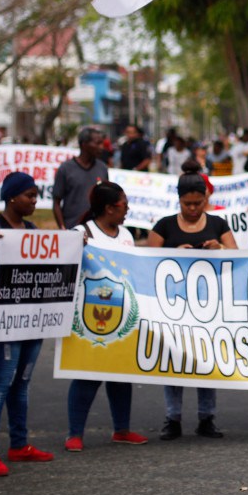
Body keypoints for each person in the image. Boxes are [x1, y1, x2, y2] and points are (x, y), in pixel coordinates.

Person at [0, 173, 55, 477]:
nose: (33, 201)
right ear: (11, 197)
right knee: (1, 380)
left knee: (22, 383)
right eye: (28, 196)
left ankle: (19, 444)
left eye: (35, 196)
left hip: (30, 315)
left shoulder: (31, 229)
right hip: (0, 315)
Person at [147, 174, 236, 440]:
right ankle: (172, 418)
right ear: (179, 200)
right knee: (173, 359)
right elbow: (146, 260)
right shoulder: (164, 226)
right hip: (173, 305)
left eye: (199, 203)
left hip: (208, 304)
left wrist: (218, 247)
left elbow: (239, 254)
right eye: (188, 204)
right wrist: (174, 252)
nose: (194, 209)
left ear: (206, 199)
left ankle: (206, 417)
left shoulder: (218, 223)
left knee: (205, 359)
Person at [65, 183, 149, 452]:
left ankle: (121, 429)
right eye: (124, 205)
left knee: (120, 373)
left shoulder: (125, 234)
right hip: (88, 315)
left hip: (122, 314)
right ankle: (75, 433)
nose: (128, 210)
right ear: (109, 208)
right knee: (88, 374)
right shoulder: (81, 233)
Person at [52, 127, 109, 229]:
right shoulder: (66, 169)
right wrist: (62, 227)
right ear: (84, 144)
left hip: (97, 231)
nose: (101, 147)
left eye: (102, 143)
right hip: (72, 228)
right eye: (97, 143)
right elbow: (56, 203)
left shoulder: (102, 168)